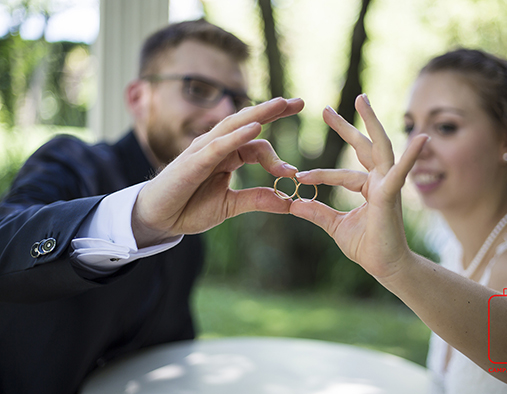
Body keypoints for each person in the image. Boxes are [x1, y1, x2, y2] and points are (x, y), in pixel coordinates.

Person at [0, 19, 303, 393]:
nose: (223, 112)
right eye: (198, 89)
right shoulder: (71, 162)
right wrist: (139, 218)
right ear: (138, 97)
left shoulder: (195, 229)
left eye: (237, 100)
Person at [291, 49, 507, 393]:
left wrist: (398, 267)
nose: (418, 147)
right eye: (410, 127)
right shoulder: (455, 251)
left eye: (445, 126)